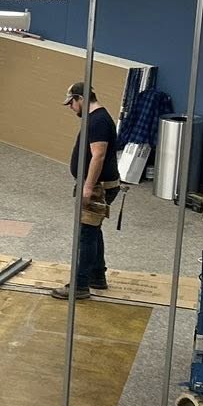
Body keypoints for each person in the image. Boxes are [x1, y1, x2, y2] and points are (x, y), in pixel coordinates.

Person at [55, 80, 118, 299]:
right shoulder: (97, 118)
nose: (71, 109)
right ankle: (97, 277)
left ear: (80, 99)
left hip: (98, 186)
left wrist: (88, 187)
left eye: (71, 104)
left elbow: (98, 155)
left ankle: (80, 285)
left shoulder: (97, 121)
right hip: (99, 185)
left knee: (86, 235)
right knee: (93, 230)